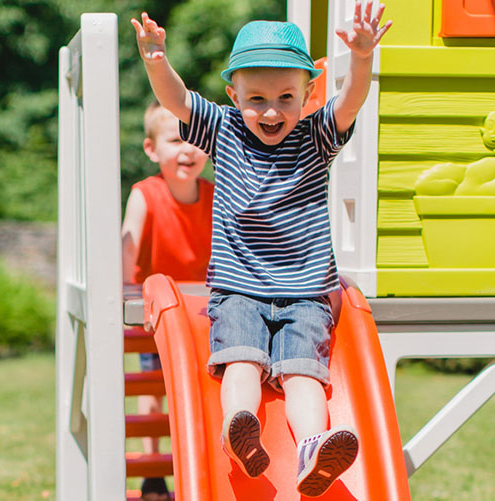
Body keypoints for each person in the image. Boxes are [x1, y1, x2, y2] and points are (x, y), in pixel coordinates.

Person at [131, 2, 391, 497]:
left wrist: (361, 59)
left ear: (307, 94)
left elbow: (352, 102)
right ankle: (240, 427)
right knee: (242, 361)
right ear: (233, 94)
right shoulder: (224, 129)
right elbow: (178, 101)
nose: (271, 111)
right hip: (239, 289)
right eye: (257, 99)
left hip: (306, 294)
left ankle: (313, 446)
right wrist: (155, 58)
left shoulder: (316, 136)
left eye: (286, 97)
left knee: (304, 376)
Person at [121, 101, 213, 501]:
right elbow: (128, 250)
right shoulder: (145, 194)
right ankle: (152, 469)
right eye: (176, 140)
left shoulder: (215, 195)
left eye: (195, 139)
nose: (187, 149)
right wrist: (125, 294)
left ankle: (196, 466)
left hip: (201, 311)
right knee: (154, 386)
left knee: (197, 388)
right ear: (151, 149)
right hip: (156, 311)